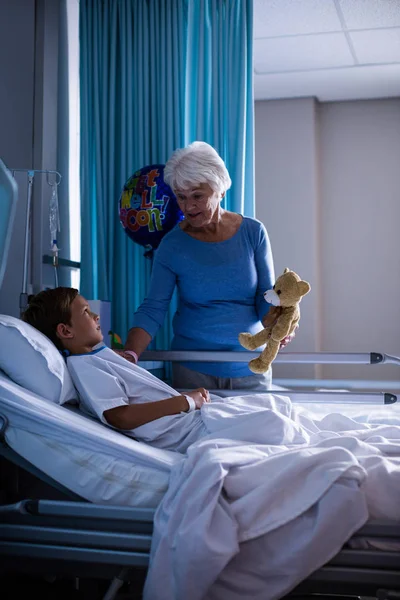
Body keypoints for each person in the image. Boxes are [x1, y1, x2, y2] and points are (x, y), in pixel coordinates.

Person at [22, 287, 307, 453]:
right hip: (189, 429)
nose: (96, 316)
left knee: (277, 407)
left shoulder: (97, 357)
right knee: (275, 422)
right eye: (85, 312)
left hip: (195, 418)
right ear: (65, 330)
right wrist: (186, 401)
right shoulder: (84, 366)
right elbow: (118, 416)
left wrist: (121, 359)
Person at [123, 141, 295, 393]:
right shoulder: (171, 245)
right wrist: (129, 356)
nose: (188, 206)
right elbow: (153, 308)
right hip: (192, 368)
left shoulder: (253, 232)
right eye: (181, 197)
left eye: (197, 196)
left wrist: (279, 323)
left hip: (249, 364)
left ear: (220, 189)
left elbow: (265, 295)